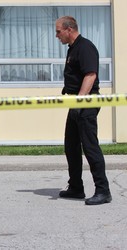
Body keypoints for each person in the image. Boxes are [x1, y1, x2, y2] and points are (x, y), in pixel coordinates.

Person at [55, 16, 111, 205]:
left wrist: (79, 101)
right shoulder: (73, 49)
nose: (57, 35)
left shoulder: (85, 46)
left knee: (90, 147)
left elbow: (90, 75)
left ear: (69, 29)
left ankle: (103, 191)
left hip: (85, 103)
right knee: (71, 146)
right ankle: (76, 188)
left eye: (58, 31)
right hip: (76, 103)